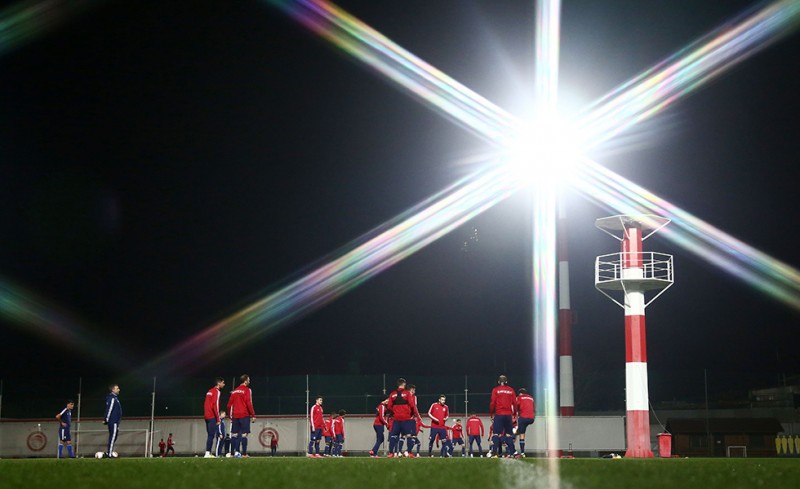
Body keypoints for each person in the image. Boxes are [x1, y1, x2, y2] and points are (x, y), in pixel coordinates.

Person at [387, 378, 419, 458]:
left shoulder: (392, 394)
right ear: (404, 384)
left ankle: (391, 453)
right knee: (409, 435)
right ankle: (409, 452)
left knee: (394, 435)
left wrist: (394, 412)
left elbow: (389, 406)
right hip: (406, 418)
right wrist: (412, 414)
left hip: (396, 418)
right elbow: (412, 405)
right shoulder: (407, 393)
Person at [227, 374, 256, 458]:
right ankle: (244, 454)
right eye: (248, 380)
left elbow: (229, 405)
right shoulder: (247, 390)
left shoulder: (234, 391)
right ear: (245, 381)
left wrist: (229, 415)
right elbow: (249, 403)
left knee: (234, 434)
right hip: (244, 414)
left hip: (235, 415)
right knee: (244, 435)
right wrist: (253, 415)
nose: (249, 381)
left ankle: (232, 454)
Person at [490, 375, 517, 458]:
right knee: (509, 434)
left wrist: (491, 413)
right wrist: (514, 414)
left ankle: (494, 453)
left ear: (498, 382)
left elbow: (493, 402)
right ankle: (513, 453)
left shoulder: (495, 390)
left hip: (499, 414)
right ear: (506, 382)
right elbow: (515, 403)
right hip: (508, 415)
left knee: (496, 434)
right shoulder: (511, 390)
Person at [204, 377, 226, 458]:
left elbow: (206, 404)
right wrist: (218, 418)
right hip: (212, 416)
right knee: (211, 435)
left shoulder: (209, 391)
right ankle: (207, 453)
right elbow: (215, 406)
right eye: (223, 382)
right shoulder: (217, 392)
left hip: (206, 416)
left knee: (210, 435)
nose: (224, 384)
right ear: (219, 383)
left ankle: (208, 453)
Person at [515, 388, 536, 458]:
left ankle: (522, 452)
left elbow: (515, 407)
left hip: (523, 418)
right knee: (521, 430)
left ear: (520, 393)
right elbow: (534, 408)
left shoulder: (519, 397)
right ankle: (517, 432)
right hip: (531, 419)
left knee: (520, 433)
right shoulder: (531, 398)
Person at [103, 384, 122, 458]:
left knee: (114, 436)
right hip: (113, 421)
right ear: (113, 390)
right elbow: (109, 409)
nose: (119, 390)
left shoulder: (114, 398)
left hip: (115, 421)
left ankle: (109, 452)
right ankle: (109, 454)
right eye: (117, 388)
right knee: (113, 437)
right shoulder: (112, 398)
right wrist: (106, 419)